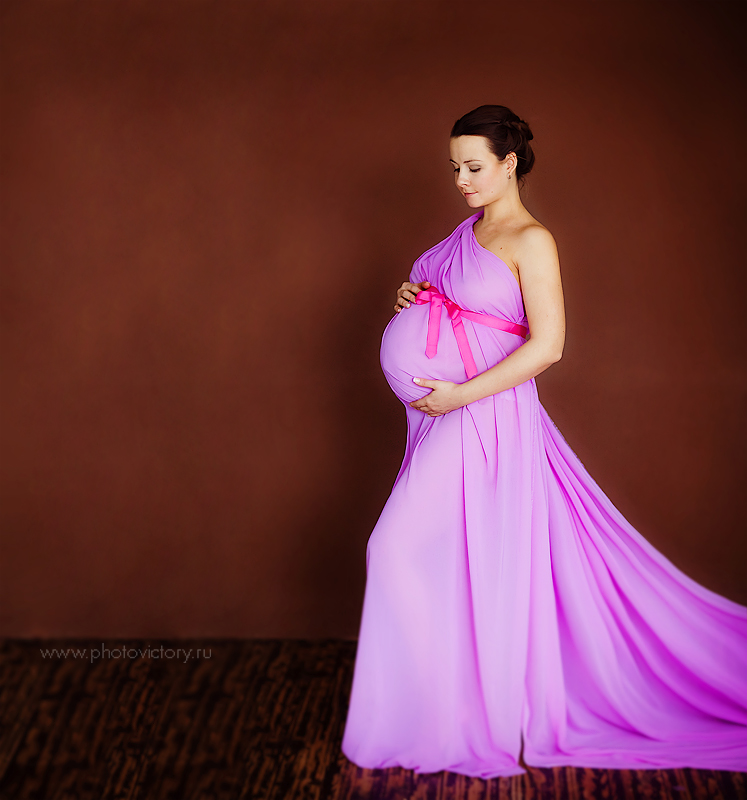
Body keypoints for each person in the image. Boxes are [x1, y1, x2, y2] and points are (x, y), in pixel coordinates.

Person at [340, 104, 747, 778]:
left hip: (483, 418)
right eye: (454, 168)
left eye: (474, 167)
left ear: (508, 163)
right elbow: (459, 305)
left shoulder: (532, 240)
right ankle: (437, 709)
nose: (461, 180)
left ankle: (445, 715)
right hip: (448, 417)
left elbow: (548, 346)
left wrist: (459, 396)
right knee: (433, 556)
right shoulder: (466, 231)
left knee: (395, 549)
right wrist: (415, 295)